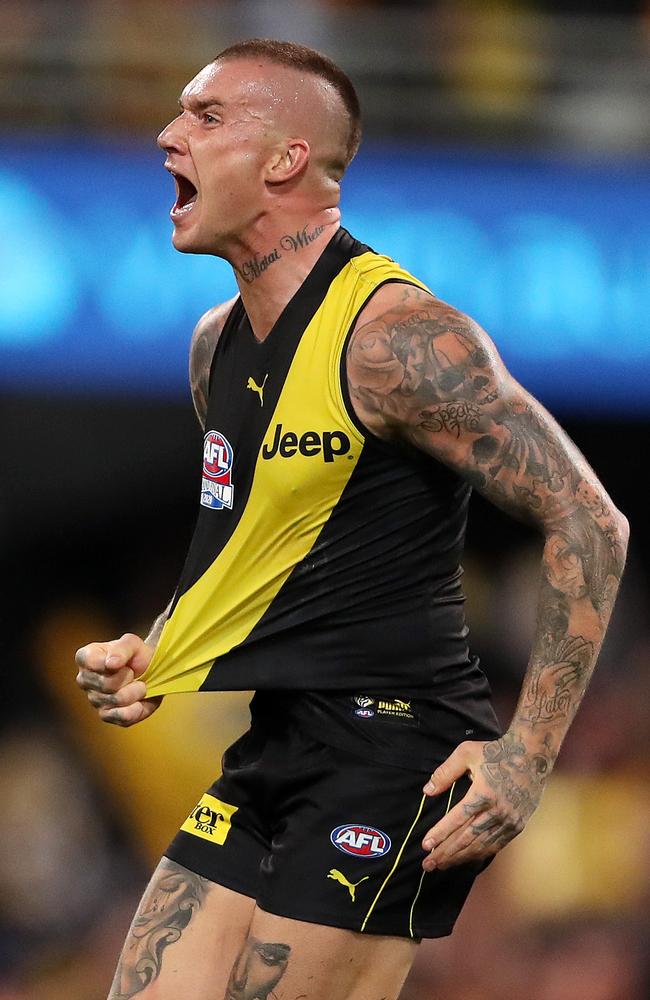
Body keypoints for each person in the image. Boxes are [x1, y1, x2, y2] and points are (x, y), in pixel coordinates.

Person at [75, 38, 629, 1000]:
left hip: (396, 757)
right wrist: (159, 647)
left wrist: (527, 758)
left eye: (206, 117)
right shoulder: (216, 350)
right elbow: (260, 547)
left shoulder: (401, 342)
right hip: (276, 742)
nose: (169, 135)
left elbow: (591, 521)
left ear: (287, 159)